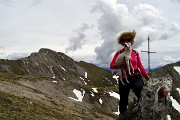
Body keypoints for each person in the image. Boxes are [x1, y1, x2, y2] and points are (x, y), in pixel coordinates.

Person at [110, 30, 149, 117]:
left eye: (128, 40)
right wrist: (121, 64)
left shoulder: (135, 53)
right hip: (124, 78)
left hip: (136, 76)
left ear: (131, 41)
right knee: (123, 99)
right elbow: (112, 65)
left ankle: (142, 111)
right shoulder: (119, 53)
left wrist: (146, 76)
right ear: (122, 42)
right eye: (124, 40)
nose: (126, 41)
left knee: (140, 90)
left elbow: (140, 65)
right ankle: (123, 115)